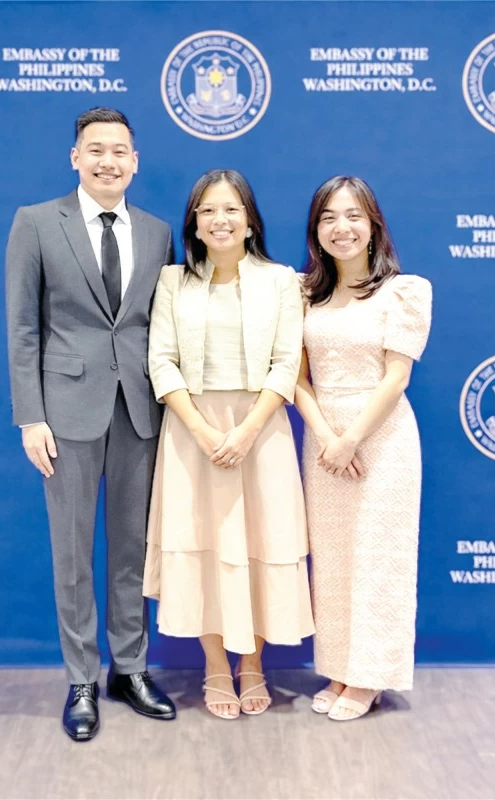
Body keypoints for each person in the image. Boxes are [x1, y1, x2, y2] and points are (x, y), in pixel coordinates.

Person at [5, 108, 176, 742]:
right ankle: (82, 678)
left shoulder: (158, 232)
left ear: (136, 161)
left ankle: (130, 669)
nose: (109, 161)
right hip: (65, 414)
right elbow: (23, 327)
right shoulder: (35, 222)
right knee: (73, 554)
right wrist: (31, 416)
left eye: (120, 151)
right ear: (75, 158)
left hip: (140, 410)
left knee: (132, 548)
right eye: (96, 150)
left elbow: (161, 323)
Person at [144, 169, 314, 720]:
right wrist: (202, 430)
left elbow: (287, 363)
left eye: (231, 209)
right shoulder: (173, 281)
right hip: (191, 430)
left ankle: (253, 664)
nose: (220, 220)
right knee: (205, 546)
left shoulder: (282, 280)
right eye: (208, 210)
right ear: (194, 223)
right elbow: (161, 361)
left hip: (260, 431)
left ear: (250, 221)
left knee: (261, 544)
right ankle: (216, 665)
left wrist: (245, 431)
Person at [294, 176, 432, 721]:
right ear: (316, 231)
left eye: (353, 216)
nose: (341, 228)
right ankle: (340, 668)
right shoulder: (304, 294)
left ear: (373, 226)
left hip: (382, 439)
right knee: (332, 559)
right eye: (328, 218)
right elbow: (297, 378)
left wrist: (351, 438)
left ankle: (371, 676)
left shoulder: (404, 291)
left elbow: (397, 377)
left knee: (379, 556)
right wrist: (328, 438)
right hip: (322, 439)